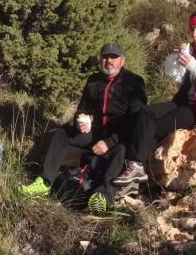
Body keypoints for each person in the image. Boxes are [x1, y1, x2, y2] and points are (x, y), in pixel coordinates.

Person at [113, 8, 196, 190]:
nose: (194, 34)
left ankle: (138, 176)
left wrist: (194, 67)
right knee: (147, 112)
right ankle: (135, 166)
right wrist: (179, 67)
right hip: (192, 102)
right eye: (192, 29)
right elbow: (189, 87)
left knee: (155, 127)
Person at [19, 42, 148, 212]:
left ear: (122, 61)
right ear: (100, 60)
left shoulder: (134, 82)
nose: (109, 61)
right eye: (105, 57)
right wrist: (79, 122)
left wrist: (108, 142)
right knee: (62, 133)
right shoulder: (93, 81)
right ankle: (44, 183)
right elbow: (81, 110)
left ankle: (104, 196)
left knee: (121, 150)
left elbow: (137, 121)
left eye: (114, 57)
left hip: (120, 137)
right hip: (96, 133)